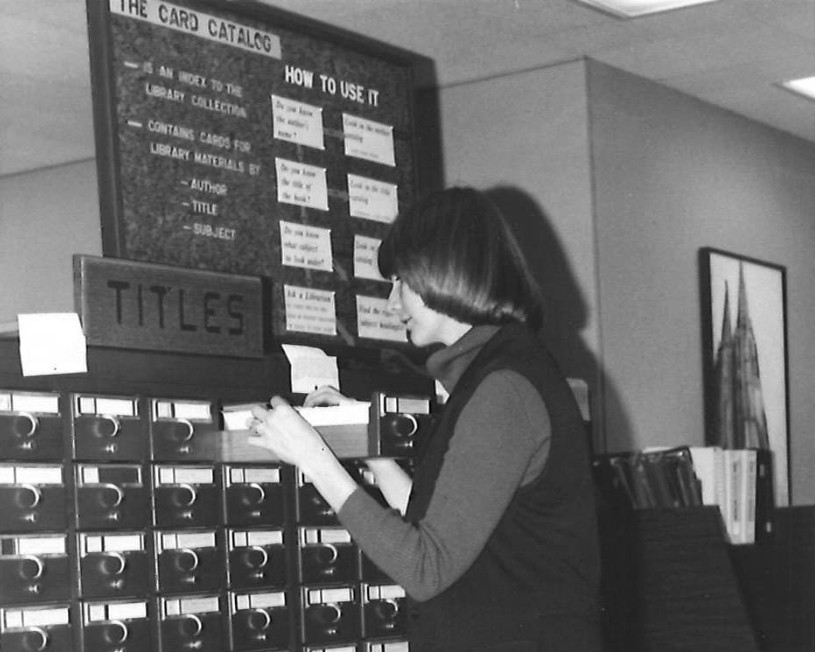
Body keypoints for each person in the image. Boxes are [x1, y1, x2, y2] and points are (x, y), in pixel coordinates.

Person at [248, 187, 602, 651]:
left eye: (401, 281)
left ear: (447, 273)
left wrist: (314, 461)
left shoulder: (504, 389)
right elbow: (452, 523)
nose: (392, 302)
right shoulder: (495, 373)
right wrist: (367, 449)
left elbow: (425, 567)